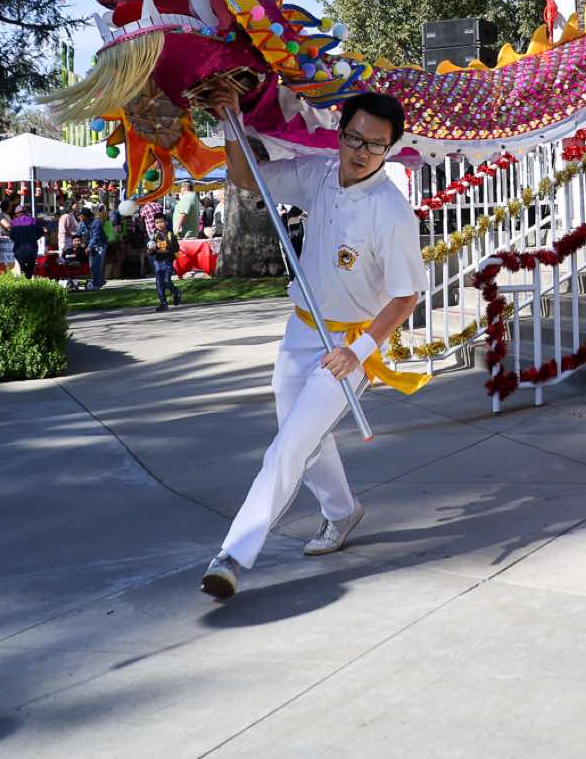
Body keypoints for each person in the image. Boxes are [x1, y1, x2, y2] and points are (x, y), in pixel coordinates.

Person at [197, 88, 430, 600]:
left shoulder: (392, 213)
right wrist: (230, 123)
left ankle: (232, 554)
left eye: (375, 144)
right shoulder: (318, 174)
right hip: (302, 330)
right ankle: (342, 512)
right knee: (302, 435)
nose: (361, 152)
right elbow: (246, 178)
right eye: (354, 138)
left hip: (348, 345)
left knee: (290, 445)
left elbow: (405, 296)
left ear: (390, 148)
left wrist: (358, 353)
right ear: (340, 132)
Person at [147, 213, 180, 309]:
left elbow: (175, 250)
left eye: (161, 221)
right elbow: (149, 251)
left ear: (166, 222)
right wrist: (150, 250)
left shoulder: (170, 235)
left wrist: (161, 251)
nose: (159, 224)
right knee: (159, 283)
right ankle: (163, 302)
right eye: (156, 222)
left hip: (168, 261)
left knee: (166, 281)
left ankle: (176, 292)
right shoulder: (154, 236)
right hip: (157, 262)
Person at [6, 199, 42, 277]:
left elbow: (11, 236)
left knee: (21, 267)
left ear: (17, 213)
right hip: (32, 248)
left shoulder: (14, 222)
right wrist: (34, 238)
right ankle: (29, 277)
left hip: (19, 248)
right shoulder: (33, 220)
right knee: (30, 267)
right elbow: (40, 233)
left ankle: (24, 279)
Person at [82, 207, 108, 291]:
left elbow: (95, 237)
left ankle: (97, 284)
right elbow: (79, 233)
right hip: (90, 246)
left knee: (95, 265)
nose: (80, 217)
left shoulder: (96, 223)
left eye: (81, 215)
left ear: (86, 216)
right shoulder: (82, 223)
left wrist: (89, 247)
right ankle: (101, 281)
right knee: (92, 266)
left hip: (99, 246)